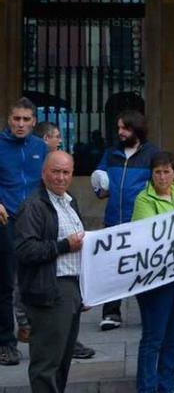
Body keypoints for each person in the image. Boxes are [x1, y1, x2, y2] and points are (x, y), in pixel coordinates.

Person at [14, 151, 83, 392]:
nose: (61, 177)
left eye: (66, 172)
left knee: (63, 359)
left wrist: (85, 289)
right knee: (47, 364)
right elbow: (25, 250)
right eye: (55, 171)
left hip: (72, 288)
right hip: (49, 290)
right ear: (44, 174)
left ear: (72, 175)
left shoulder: (70, 202)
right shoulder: (33, 206)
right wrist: (64, 245)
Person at [130, 152, 174, 393]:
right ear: (152, 174)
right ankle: (146, 386)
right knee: (154, 336)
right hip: (156, 279)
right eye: (158, 172)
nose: (162, 176)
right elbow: (150, 233)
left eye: (167, 171)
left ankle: (167, 384)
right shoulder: (143, 199)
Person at [91, 109, 160, 331]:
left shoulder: (152, 154)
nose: (120, 132)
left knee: (144, 267)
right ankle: (111, 313)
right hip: (114, 221)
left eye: (124, 128)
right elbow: (100, 182)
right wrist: (99, 188)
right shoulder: (111, 153)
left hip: (141, 223)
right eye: (118, 127)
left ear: (136, 129)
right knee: (112, 268)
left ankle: (150, 312)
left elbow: (160, 184)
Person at [0, 97, 47, 366]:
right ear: (9, 119)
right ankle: (6, 342)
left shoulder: (40, 147)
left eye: (26, 119)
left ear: (33, 122)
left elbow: (48, 181)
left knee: (39, 279)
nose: (20, 124)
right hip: (5, 220)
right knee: (6, 283)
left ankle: (42, 335)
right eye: (16, 119)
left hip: (34, 221)